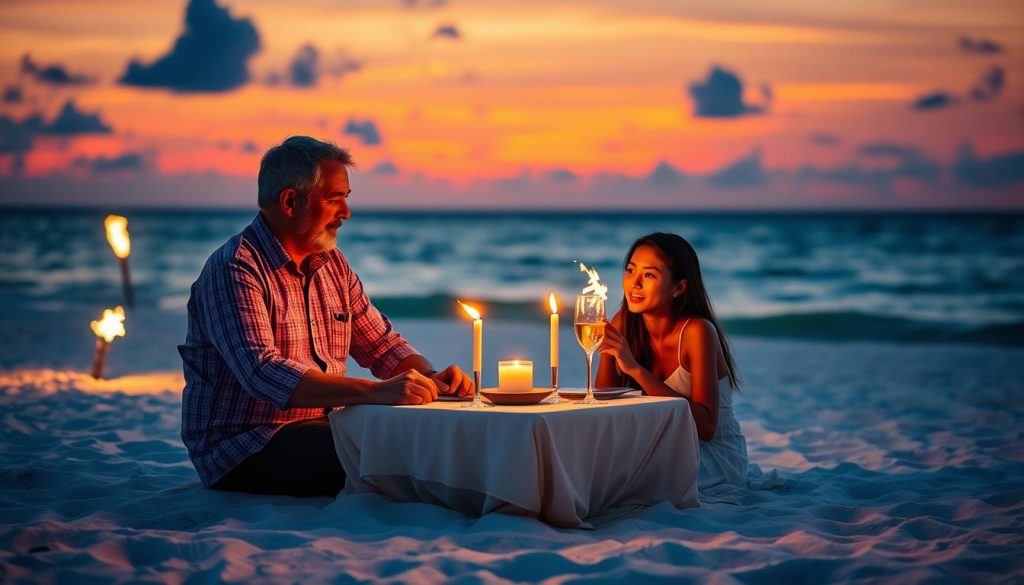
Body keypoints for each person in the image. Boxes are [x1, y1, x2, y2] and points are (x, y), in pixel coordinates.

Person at [178, 136, 473, 497]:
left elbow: (380, 345)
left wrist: (430, 379)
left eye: (346, 199)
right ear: (290, 201)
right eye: (334, 199)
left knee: (424, 432)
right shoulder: (234, 268)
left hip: (322, 426)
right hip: (245, 446)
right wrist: (378, 393)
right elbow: (262, 371)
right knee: (400, 451)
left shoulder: (332, 264)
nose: (345, 213)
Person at [596, 232, 749, 491]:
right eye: (630, 270)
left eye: (649, 275)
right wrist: (607, 352)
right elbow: (603, 402)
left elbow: (705, 427)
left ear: (678, 287)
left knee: (623, 479)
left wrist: (635, 369)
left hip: (712, 454)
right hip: (661, 444)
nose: (635, 283)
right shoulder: (624, 322)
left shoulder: (697, 331)